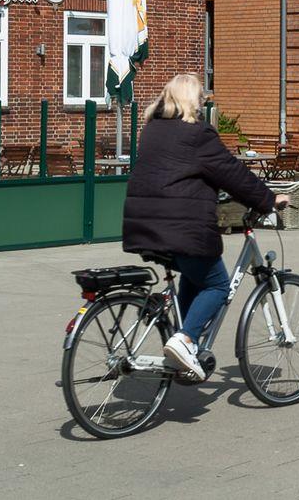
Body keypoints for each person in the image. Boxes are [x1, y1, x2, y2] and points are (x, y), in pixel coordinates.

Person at [122, 73, 289, 382]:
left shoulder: (152, 129)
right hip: (181, 226)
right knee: (217, 285)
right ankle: (185, 340)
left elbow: (177, 172)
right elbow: (232, 173)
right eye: (200, 97)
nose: (202, 103)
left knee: (194, 273)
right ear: (191, 100)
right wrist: (268, 199)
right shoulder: (197, 134)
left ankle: (184, 344)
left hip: (144, 224)